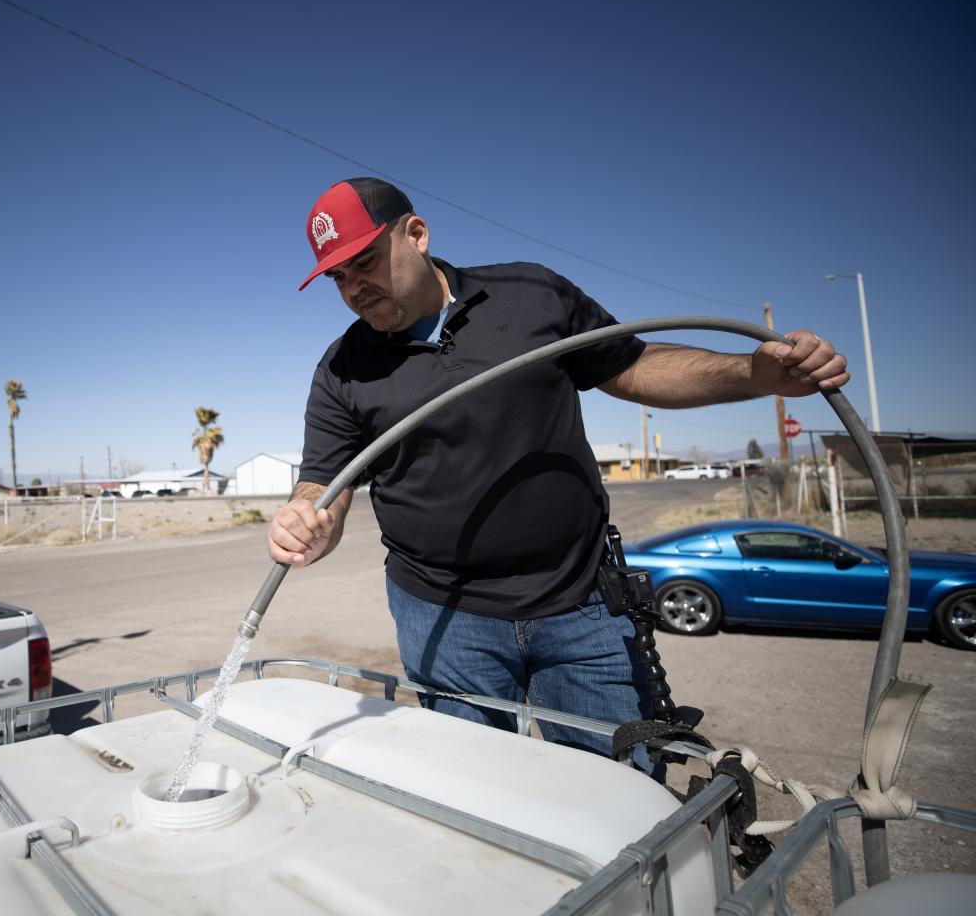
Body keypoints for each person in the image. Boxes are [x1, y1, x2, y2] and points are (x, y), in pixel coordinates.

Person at [268, 176, 850, 771]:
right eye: (337, 277)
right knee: (473, 790)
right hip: (442, 616)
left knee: (620, 790)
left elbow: (634, 366)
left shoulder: (529, 293)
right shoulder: (342, 369)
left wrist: (751, 375)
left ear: (415, 235)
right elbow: (324, 484)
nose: (352, 288)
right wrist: (308, 520)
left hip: (580, 602)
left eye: (362, 262)